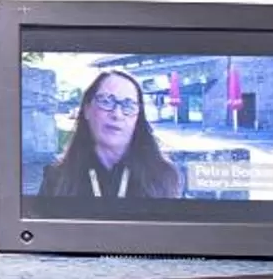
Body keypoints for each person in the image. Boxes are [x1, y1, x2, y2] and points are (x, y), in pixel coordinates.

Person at [36, 70, 186, 199]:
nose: (117, 114)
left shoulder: (164, 175)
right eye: (107, 101)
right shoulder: (56, 177)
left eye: (128, 105)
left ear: (138, 117)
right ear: (87, 109)